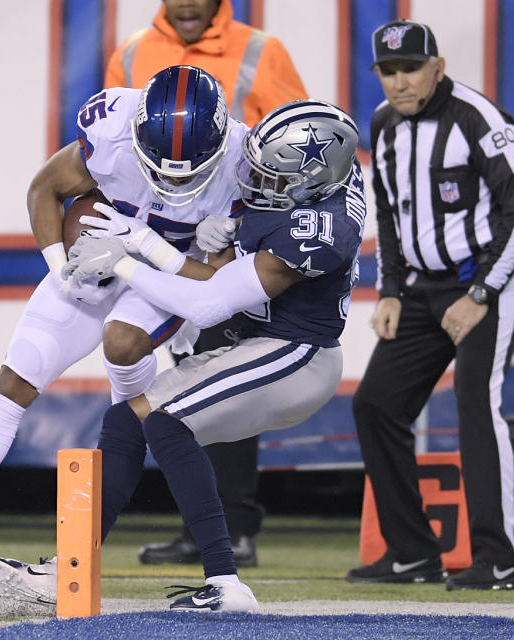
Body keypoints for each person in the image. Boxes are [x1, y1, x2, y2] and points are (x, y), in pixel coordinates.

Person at [0, 99, 365, 612]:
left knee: (167, 422)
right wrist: (209, 243)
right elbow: (224, 265)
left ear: (312, 182)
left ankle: (227, 584)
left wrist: (135, 254)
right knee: (126, 421)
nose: (256, 183)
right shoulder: (318, 181)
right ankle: (67, 571)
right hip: (257, 343)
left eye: (272, 179)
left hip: (297, 355)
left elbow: (209, 303)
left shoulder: (322, 227)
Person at [0, 65, 247, 572]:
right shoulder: (111, 131)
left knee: (122, 368)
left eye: (189, 168)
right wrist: (60, 267)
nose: (172, 179)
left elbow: (218, 286)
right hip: (95, 261)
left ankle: (79, 559)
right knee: (16, 376)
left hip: (162, 279)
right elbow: (44, 188)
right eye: (158, 165)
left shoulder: (244, 165)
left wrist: (146, 246)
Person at [107, 0, 309, 568]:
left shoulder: (260, 51)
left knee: (227, 379)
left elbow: (296, 161)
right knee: (183, 384)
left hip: (229, 243)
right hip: (157, 238)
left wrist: (244, 225)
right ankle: (200, 525)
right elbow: (113, 158)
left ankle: (234, 526)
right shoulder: (131, 52)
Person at [346, 21, 514, 590]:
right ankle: (412, 555)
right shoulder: (382, 127)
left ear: (439, 66)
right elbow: (386, 215)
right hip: (419, 287)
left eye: (411, 68)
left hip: (486, 280)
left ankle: (501, 559)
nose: (400, 81)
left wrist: (481, 293)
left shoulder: (479, 117)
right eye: (388, 71)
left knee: (476, 402)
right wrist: (387, 289)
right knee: (376, 405)